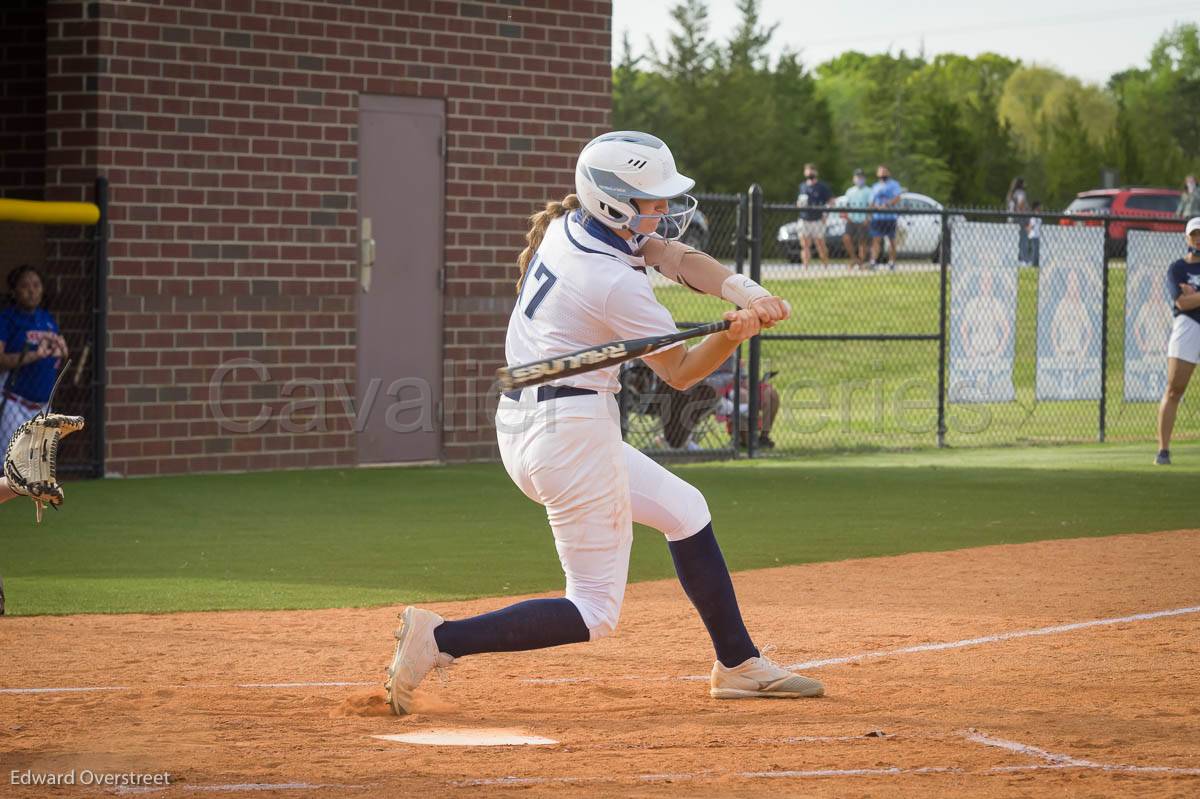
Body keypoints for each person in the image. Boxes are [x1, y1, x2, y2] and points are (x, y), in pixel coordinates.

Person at [383, 130, 823, 715]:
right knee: (592, 609)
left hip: (536, 424)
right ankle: (438, 639)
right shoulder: (611, 283)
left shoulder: (576, 228)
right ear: (614, 201)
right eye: (652, 200)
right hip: (570, 438)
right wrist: (732, 335)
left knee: (686, 510)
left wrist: (745, 289)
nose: (664, 211)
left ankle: (738, 663)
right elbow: (682, 374)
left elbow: (670, 256)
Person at [1, 265, 69, 448]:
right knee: (11, 462)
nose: (32, 290)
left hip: (44, 405)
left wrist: (62, 351)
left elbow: (57, 358)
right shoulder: (7, 319)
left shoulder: (46, 319)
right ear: (14, 291)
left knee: (38, 465)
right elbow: (1, 360)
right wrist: (33, 355)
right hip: (14, 403)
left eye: (36, 285)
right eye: (25, 286)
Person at [1156, 216, 1200, 465]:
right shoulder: (1177, 268)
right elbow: (1181, 302)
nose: (1198, 239)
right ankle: (1163, 450)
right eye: (1194, 234)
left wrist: (1195, 296)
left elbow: (1190, 300)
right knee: (1174, 390)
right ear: (1186, 237)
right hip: (1188, 325)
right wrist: (1190, 299)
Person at [795, 163, 832, 268]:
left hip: (817, 219)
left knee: (820, 244)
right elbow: (799, 200)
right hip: (804, 218)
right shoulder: (802, 186)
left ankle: (825, 266)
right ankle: (805, 267)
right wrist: (799, 204)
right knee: (805, 244)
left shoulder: (822, 187)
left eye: (812, 170)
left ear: (816, 172)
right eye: (807, 171)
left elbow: (831, 201)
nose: (810, 173)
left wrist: (825, 214)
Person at [868, 165, 903, 270]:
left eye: (884, 171)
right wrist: (876, 207)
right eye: (880, 172)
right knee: (876, 240)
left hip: (890, 217)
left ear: (889, 173)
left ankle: (892, 262)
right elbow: (871, 202)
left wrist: (887, 205)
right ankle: (873, 262)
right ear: (877, 174)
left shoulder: (894, 184)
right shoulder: (875, 186)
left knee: (892, 241)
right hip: (877, 218)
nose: (882, 174)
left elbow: (897, 198)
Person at [841, 168, 872, 269]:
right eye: (857, 177)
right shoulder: (850, 191)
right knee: (846, 238)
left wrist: (867, 219)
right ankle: (854, 258)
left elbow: (871, 206)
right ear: (854, 178)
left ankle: (862, 262)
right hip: (852, 219)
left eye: (861, 177)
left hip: (863, 220)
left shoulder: (869, 191)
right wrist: (847, 216)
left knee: (862, 242)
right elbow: (846, 205)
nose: (859, 179)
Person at [1007, 177, 1030, 265]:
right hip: (1020, 219)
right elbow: (1020, 204)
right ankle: (1023, 259)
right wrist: (1024, 212)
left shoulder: (1012, 193)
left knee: (1015, 240)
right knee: (1023, 239)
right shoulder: (1020, 193)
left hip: (1012, 218)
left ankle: (1018, 258)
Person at [1026, 200, 1042, 268]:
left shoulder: (1038, 215)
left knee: (1036, 251)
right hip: (1034, 236)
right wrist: (1028, 233)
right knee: (1034, 252)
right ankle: (1033, 265)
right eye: (1039, 206)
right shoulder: (1034, 216)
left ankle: (1036, 264)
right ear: (1036, 207)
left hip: (1037, 236)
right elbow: (1030, 226)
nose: (1040, 208)